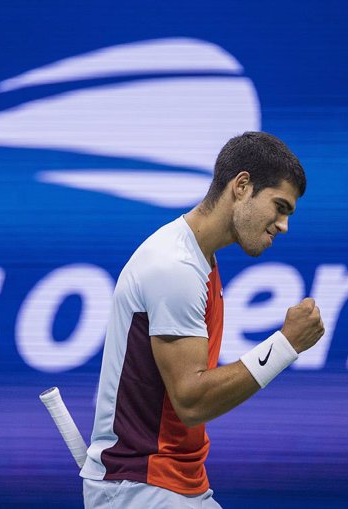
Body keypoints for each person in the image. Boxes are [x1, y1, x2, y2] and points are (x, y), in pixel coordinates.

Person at [80, 131, 325, 508]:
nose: (283, 225)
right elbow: (192, 401)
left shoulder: (200, 261)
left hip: (173, 485)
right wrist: (285, 345)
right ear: (241, 186)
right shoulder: (174, 267)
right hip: (140, 488)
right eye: (279, 206)